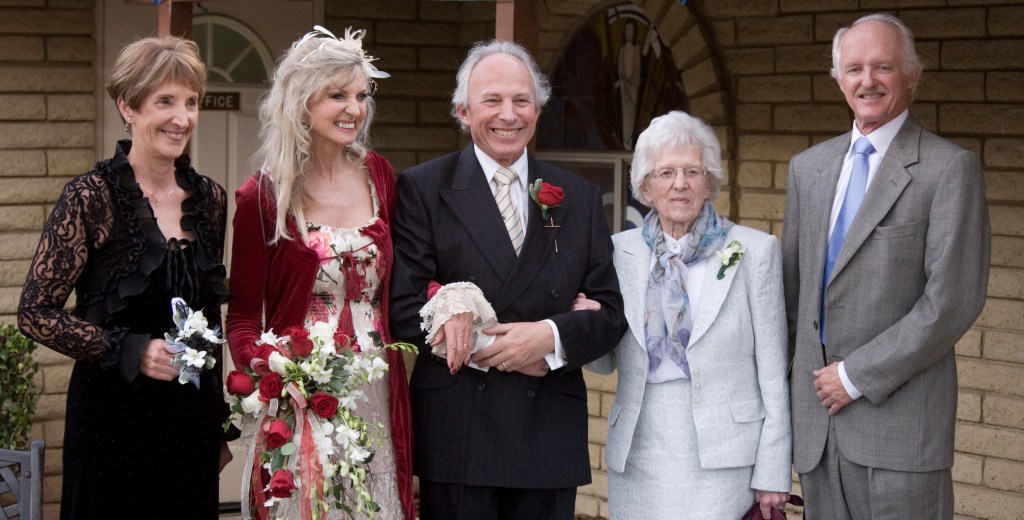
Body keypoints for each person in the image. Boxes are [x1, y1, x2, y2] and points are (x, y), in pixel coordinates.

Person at [388, 40, 627, 520]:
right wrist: (507, 351)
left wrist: (550, 338)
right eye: (491, 101)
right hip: (461, 429)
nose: (508, 114)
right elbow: (404, 306)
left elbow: (608, 313)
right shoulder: (423, 187)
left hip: (548, 430)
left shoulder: (578, 195)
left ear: (538, 109)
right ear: (463, 110)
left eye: (521, 101)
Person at [784, 13, 990, 519]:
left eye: (883, 67)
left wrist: (854, 376)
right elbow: (791, 297)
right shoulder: (807, 169)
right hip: (816, 435)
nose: (867, 81)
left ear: (912, 74)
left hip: (898, 432)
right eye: (854, 68)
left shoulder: (947, 169)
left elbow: (951, 301)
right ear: (838, 79)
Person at [17, 36, 231, 519]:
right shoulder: (89, 198)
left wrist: (216, 423)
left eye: (191, 102)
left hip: (186, 424)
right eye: (165, 102)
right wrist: (132, 350)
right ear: (127, 106)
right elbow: (34, 313)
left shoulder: (211, 200)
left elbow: (208, 316)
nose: (182, 118)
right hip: (109, 424)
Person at [225, 26, 413, 520]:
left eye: (361, 95)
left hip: (378, 383)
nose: (354, 108)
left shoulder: (380, 176)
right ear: (300, 101)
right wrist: (271, 369)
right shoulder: (262, 196)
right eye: (337, 95)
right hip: (303, 395)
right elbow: (243, 316)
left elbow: (410, 277)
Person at [586, 111, 791, 519]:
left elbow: (774, 371)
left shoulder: (754, 251)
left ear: (709, 181)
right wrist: (587, 320)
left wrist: (774, 469)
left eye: (692, 171)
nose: (680, 183)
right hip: (640, 448)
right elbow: (604, 362)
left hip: (724, 458)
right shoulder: (618, 253)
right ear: (646, 184)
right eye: (665, 172)